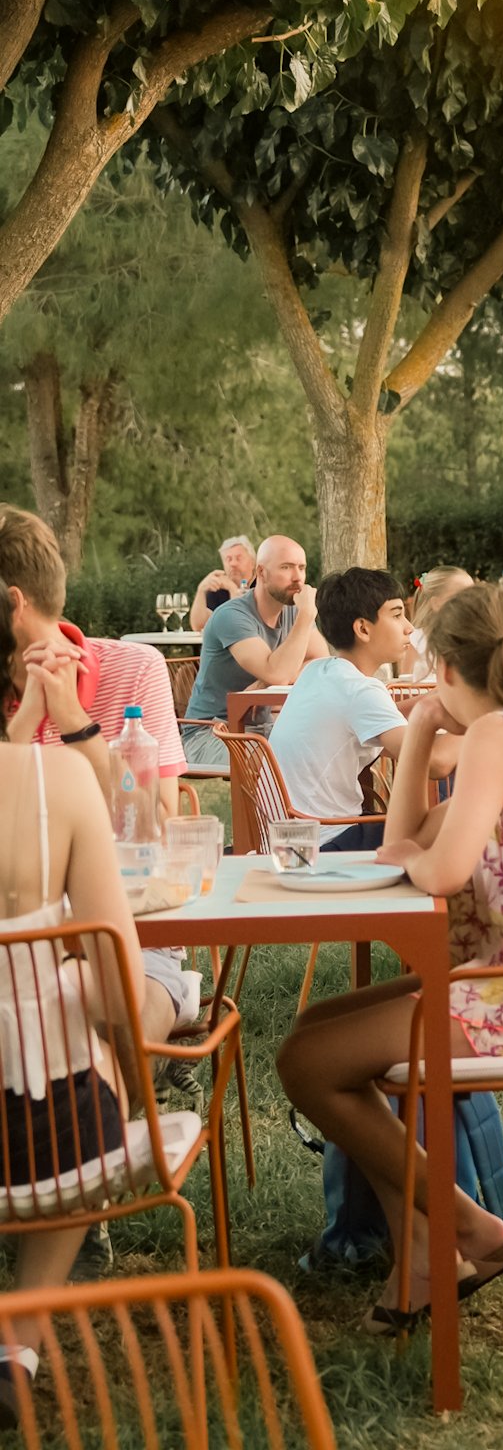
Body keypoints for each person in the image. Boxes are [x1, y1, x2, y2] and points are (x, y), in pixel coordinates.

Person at [276, 582, 503, 1331]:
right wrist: (420, 728)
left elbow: (435, 868)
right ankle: (426, 1248)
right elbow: (403, 841)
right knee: (314, 1036)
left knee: (309, 1064)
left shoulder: (494, 739)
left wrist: (421, 856)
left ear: (445, 667)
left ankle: (469, 1229)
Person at [0, 590, 147, 1423]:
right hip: (46, 1141)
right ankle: (16, 1339)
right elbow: (119, 986)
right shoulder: (54, 779)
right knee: (86, 1063)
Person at [0, 505, 194, 1047]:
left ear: (14, 603)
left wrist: (76, 726)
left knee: (123, 1027)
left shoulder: (135, 668)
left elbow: (160, 827)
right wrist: (22, 726)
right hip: (14, 946)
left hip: (135, 939)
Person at [271, 569, 460, 850]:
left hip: (289, 838)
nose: (409, 627)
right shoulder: (359, 691)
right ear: (362, 629)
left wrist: (437, 698)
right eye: (397, 615)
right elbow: (436, 762)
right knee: (452, 820)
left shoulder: (320, 671)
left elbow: (377, 716)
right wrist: (485, 714)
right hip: (325, 844)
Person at [182, 535, 327, 764]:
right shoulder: (232, 615)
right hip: (212, 732)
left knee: (323, 750)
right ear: (261, 572)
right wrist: (307, 615)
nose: (298, 577)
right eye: (286, 567)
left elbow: (321, 663)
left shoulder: (293, 612)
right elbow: (277, 674)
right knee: (277, 761)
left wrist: (264, 683)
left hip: (263, 729)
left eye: (302, 568)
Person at [404, 566, 473, 679]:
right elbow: (405, 684)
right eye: (461, 596)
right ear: (436, 603)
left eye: (473, 595)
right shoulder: (416, 641)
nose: (470, 603)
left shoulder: (474, 640)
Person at [189, 535, 257, 630]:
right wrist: (201, 590)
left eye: (239, 558)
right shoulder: (218, 588)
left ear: (252, 563)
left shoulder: (261, 586)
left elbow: (242, 626)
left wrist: (233, 590)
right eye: (228, 559)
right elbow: (199, 626)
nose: (233, 564)